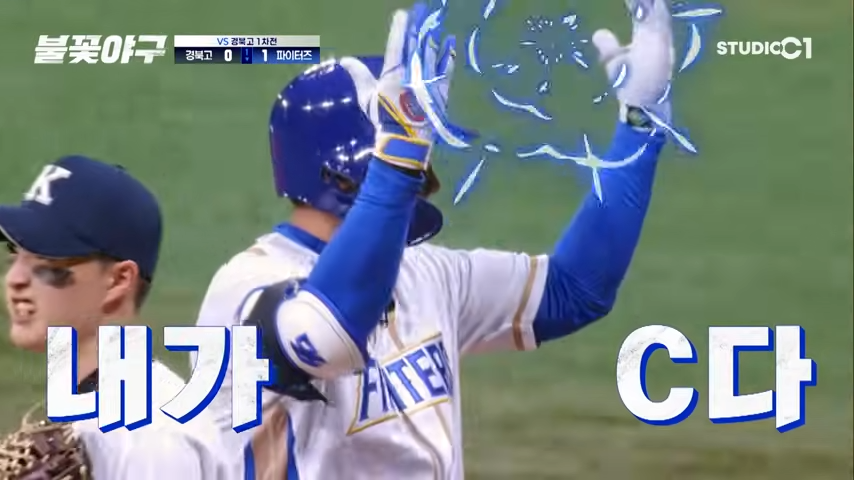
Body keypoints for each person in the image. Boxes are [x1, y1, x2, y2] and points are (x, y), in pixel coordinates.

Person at [194, 0, 675, 478]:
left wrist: (641, 127)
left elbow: (577, 289)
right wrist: (400, 155)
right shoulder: (245, 289)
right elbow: (328, 334)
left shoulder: (427, 272)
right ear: (338, 177)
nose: (425, 182)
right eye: (408, 163)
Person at [0, 155, 232, 479]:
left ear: (118, 281)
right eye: (14, 254)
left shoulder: (148, 437)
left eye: (45, 260)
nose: (14, 279)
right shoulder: (102, 407)